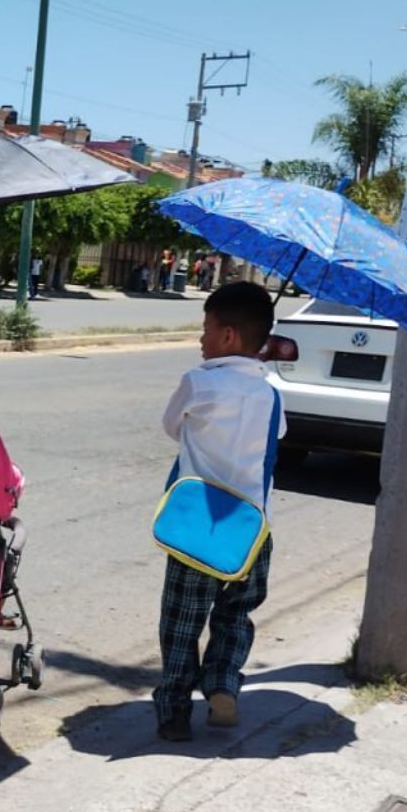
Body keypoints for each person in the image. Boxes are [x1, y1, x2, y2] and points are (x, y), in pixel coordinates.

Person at [153, 282, 286, 742]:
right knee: (235, 616)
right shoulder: (270, 395)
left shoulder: (199, 381)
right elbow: (275, 441)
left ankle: (173, 710)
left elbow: (172, 427)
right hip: (251, 530)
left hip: (198, 528)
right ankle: (224, 684)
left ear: (229, 336)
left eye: (206, 328)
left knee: (181, 621)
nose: (201, 339)